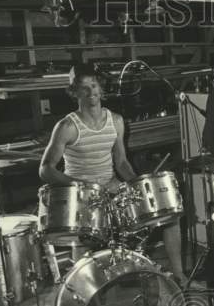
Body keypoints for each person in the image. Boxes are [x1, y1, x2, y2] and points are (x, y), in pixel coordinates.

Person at [40, 65, 194, 288]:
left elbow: (121, 162)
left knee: (169, 216)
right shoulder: (66, 126)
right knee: (83, 237)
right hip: (82, 195)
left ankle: (179, 275)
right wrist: (82, 184)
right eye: (83, 88)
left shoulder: (116, 121)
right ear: (75, 93)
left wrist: (138, 185)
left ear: (101, 89)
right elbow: (45, 169)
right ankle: (83, 291)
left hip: (111, 186)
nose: (90, 91)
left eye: (93, 85)